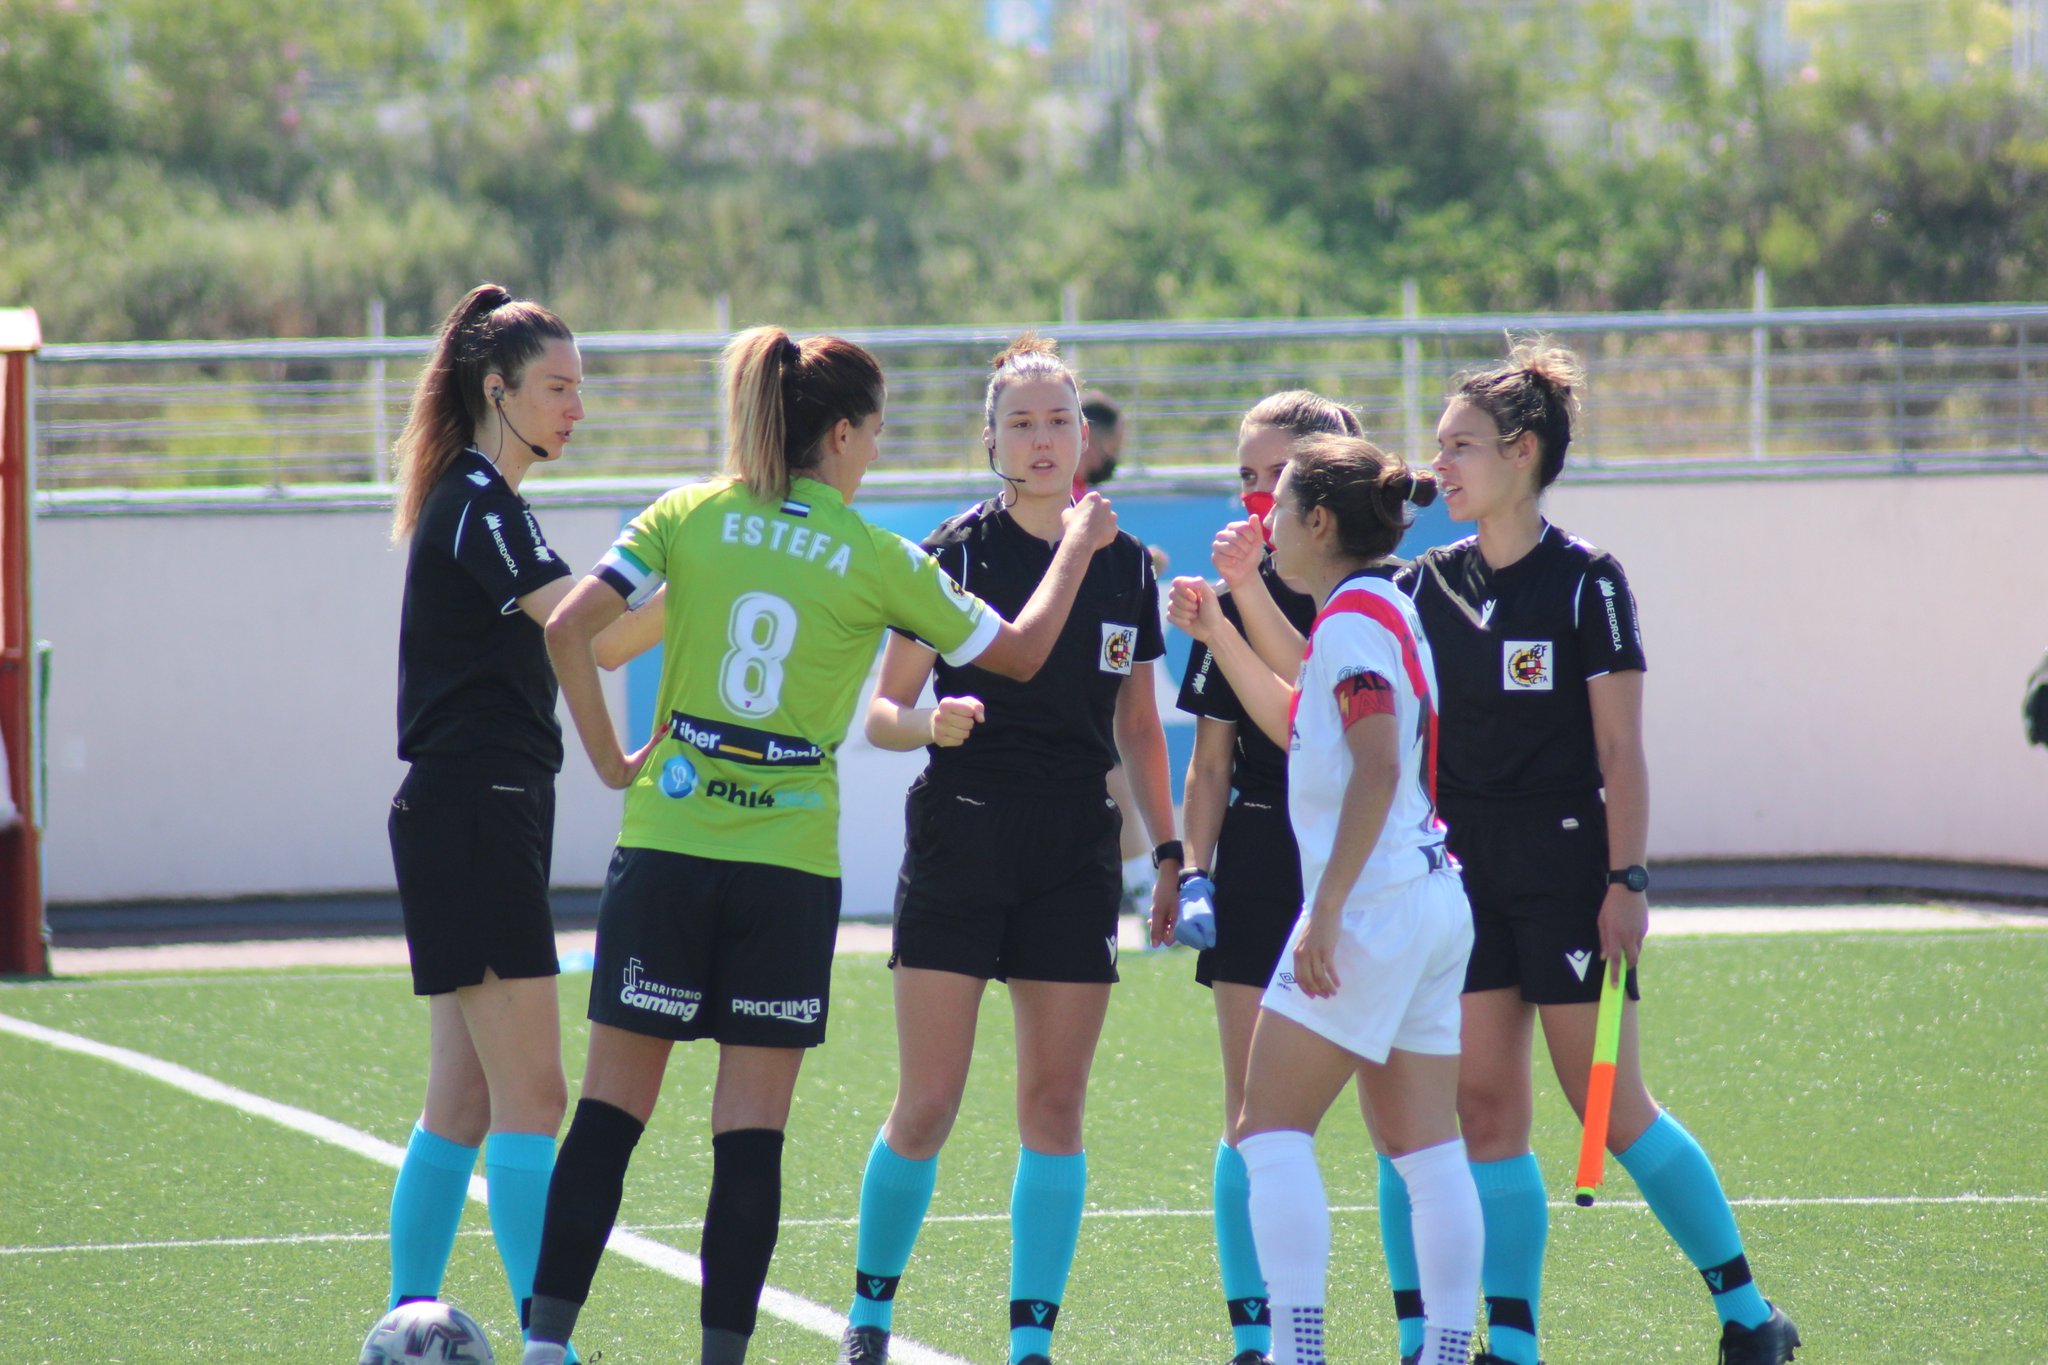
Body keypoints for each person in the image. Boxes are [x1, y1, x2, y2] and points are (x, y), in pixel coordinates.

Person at [517, 326, 1117, 1365]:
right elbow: (1017, 654)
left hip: (666, 841)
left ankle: (545, 1346)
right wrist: (1076, 546)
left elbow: (575, 628)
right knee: (747, 1133)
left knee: (611, 1114)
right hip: (786, 865)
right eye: (875, 432)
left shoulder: (691, 511)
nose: (877, 451)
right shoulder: (878, 556)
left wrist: (614, 761)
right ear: (839, 434)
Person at [1383, 342, 1798, 1365]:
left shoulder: (1585, 582)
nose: (1441, 465)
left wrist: (1626, 882)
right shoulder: (1419, 581)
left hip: (1565, 864)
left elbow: (1620, 751)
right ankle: (1512, 1346)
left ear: (1521, 454)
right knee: (1483, 1108)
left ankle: (1748, 1315)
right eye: (1438, 447)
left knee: (1607, 1105)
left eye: (1460, 447)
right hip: (1458, 870)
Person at [836, 335, 1181, 1365]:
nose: (1041, 439)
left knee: (1053, 1105)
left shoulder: (1127, 565)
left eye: (1058, 421)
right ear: (988, 437)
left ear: (1086, 436)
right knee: (928, 1101)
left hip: (1074, 848)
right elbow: (883, 711)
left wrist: (1169, 853)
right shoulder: (954, 550)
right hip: (961, 835)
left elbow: (1139, 729)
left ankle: (1030, 1339)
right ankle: (869, 1316)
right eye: (1020, 422)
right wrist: (924, 724)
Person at [1167, 433, 1482, 1365]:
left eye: (1280, 505)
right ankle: (1449, 1350)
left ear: (1317, 520)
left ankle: (1300, 1350)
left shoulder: (1351, 621)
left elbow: (1377, 761)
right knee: (1426, 1153)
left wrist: (1331, 906)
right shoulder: (1376, 604)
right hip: (1430, 899)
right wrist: (1221, 630)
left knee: (1267, 1130)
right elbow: (1305, 713)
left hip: (1378, 904)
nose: (1264, 522)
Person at [385, 283, 615, 1358]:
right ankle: (546, 1344)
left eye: (580, 388)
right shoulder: (476, 499)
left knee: (464, 1101)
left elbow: (585, 634)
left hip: (472, 811)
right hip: (474, 810)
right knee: (534, 1093)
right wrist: (708, 561)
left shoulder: (485, 501)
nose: (576, 407)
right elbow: (594, 636)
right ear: (496, 389)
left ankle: (404, 1323)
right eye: (556, 388)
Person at [1173, 390, 1367, 1365]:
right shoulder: (1222, 594)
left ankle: (1429, 1330)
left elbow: (1315, 717)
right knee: (1250, 1115)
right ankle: (1257, 1334)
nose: (1255, 496)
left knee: (1401, 1112)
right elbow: (1208, 767)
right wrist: (1193, 870)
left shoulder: (1374, 589)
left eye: (1273, 477)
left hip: (1364, 867)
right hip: (1256, 862)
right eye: (1243, 476)